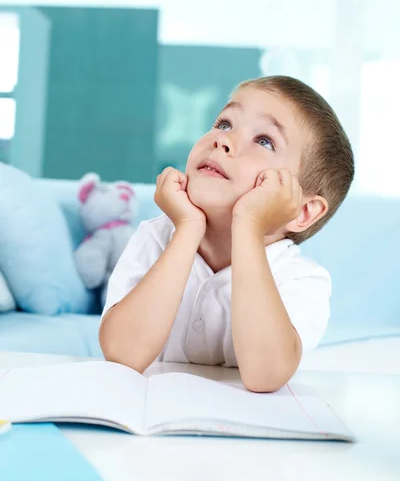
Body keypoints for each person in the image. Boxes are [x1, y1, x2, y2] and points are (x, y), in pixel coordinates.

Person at [99, 76, 354, 392]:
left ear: (302, 212)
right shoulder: (154, 238)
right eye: (223, 124)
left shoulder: (301, 279)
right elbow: (122, 355)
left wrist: (248, 224)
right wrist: (188, 229)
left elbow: (265, 376)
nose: (224, 140)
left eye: (264, 140)